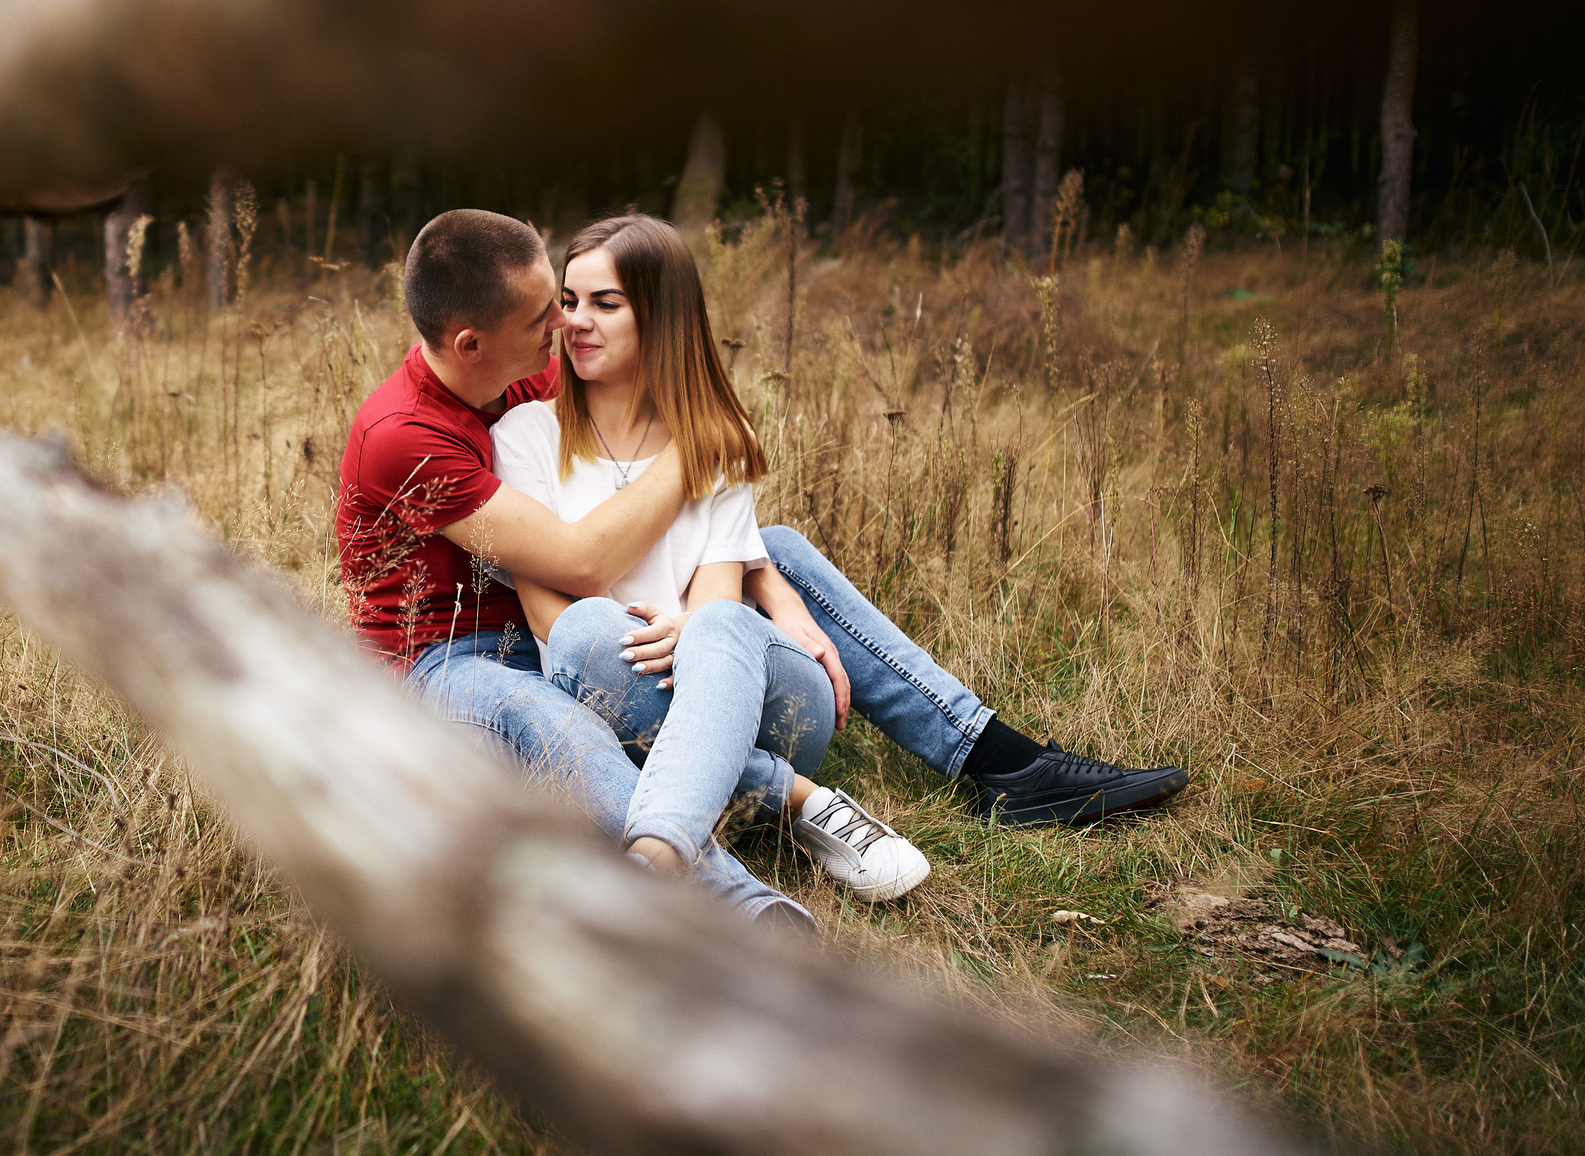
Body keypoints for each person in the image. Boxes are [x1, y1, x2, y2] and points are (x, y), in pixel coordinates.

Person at [334, 210, 1185, 926]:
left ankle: (996, 758)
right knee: (562, 710)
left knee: (777, 548)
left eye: (575, 306)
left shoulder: (516, 377)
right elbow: (583, 560)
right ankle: (758, 861)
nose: (563, 328)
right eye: (545, 317)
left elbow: (659, 432)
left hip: (595, 633)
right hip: (454, 655)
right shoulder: (409, 433)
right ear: (472, 342)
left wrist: (764, 580)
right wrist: (706, 448)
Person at [490, 214, 930, 903]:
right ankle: (782, 811)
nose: (576, 321)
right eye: (569, 301)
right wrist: (672, 634)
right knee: (578, 633)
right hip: (617, 682)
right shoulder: (525, 436)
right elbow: (548, 618)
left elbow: (718, 600)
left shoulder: (716, 441)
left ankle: (663, 846)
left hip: (769, 699)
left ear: (661, 316)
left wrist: (693, 630)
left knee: (718, 625)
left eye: (606, 303)